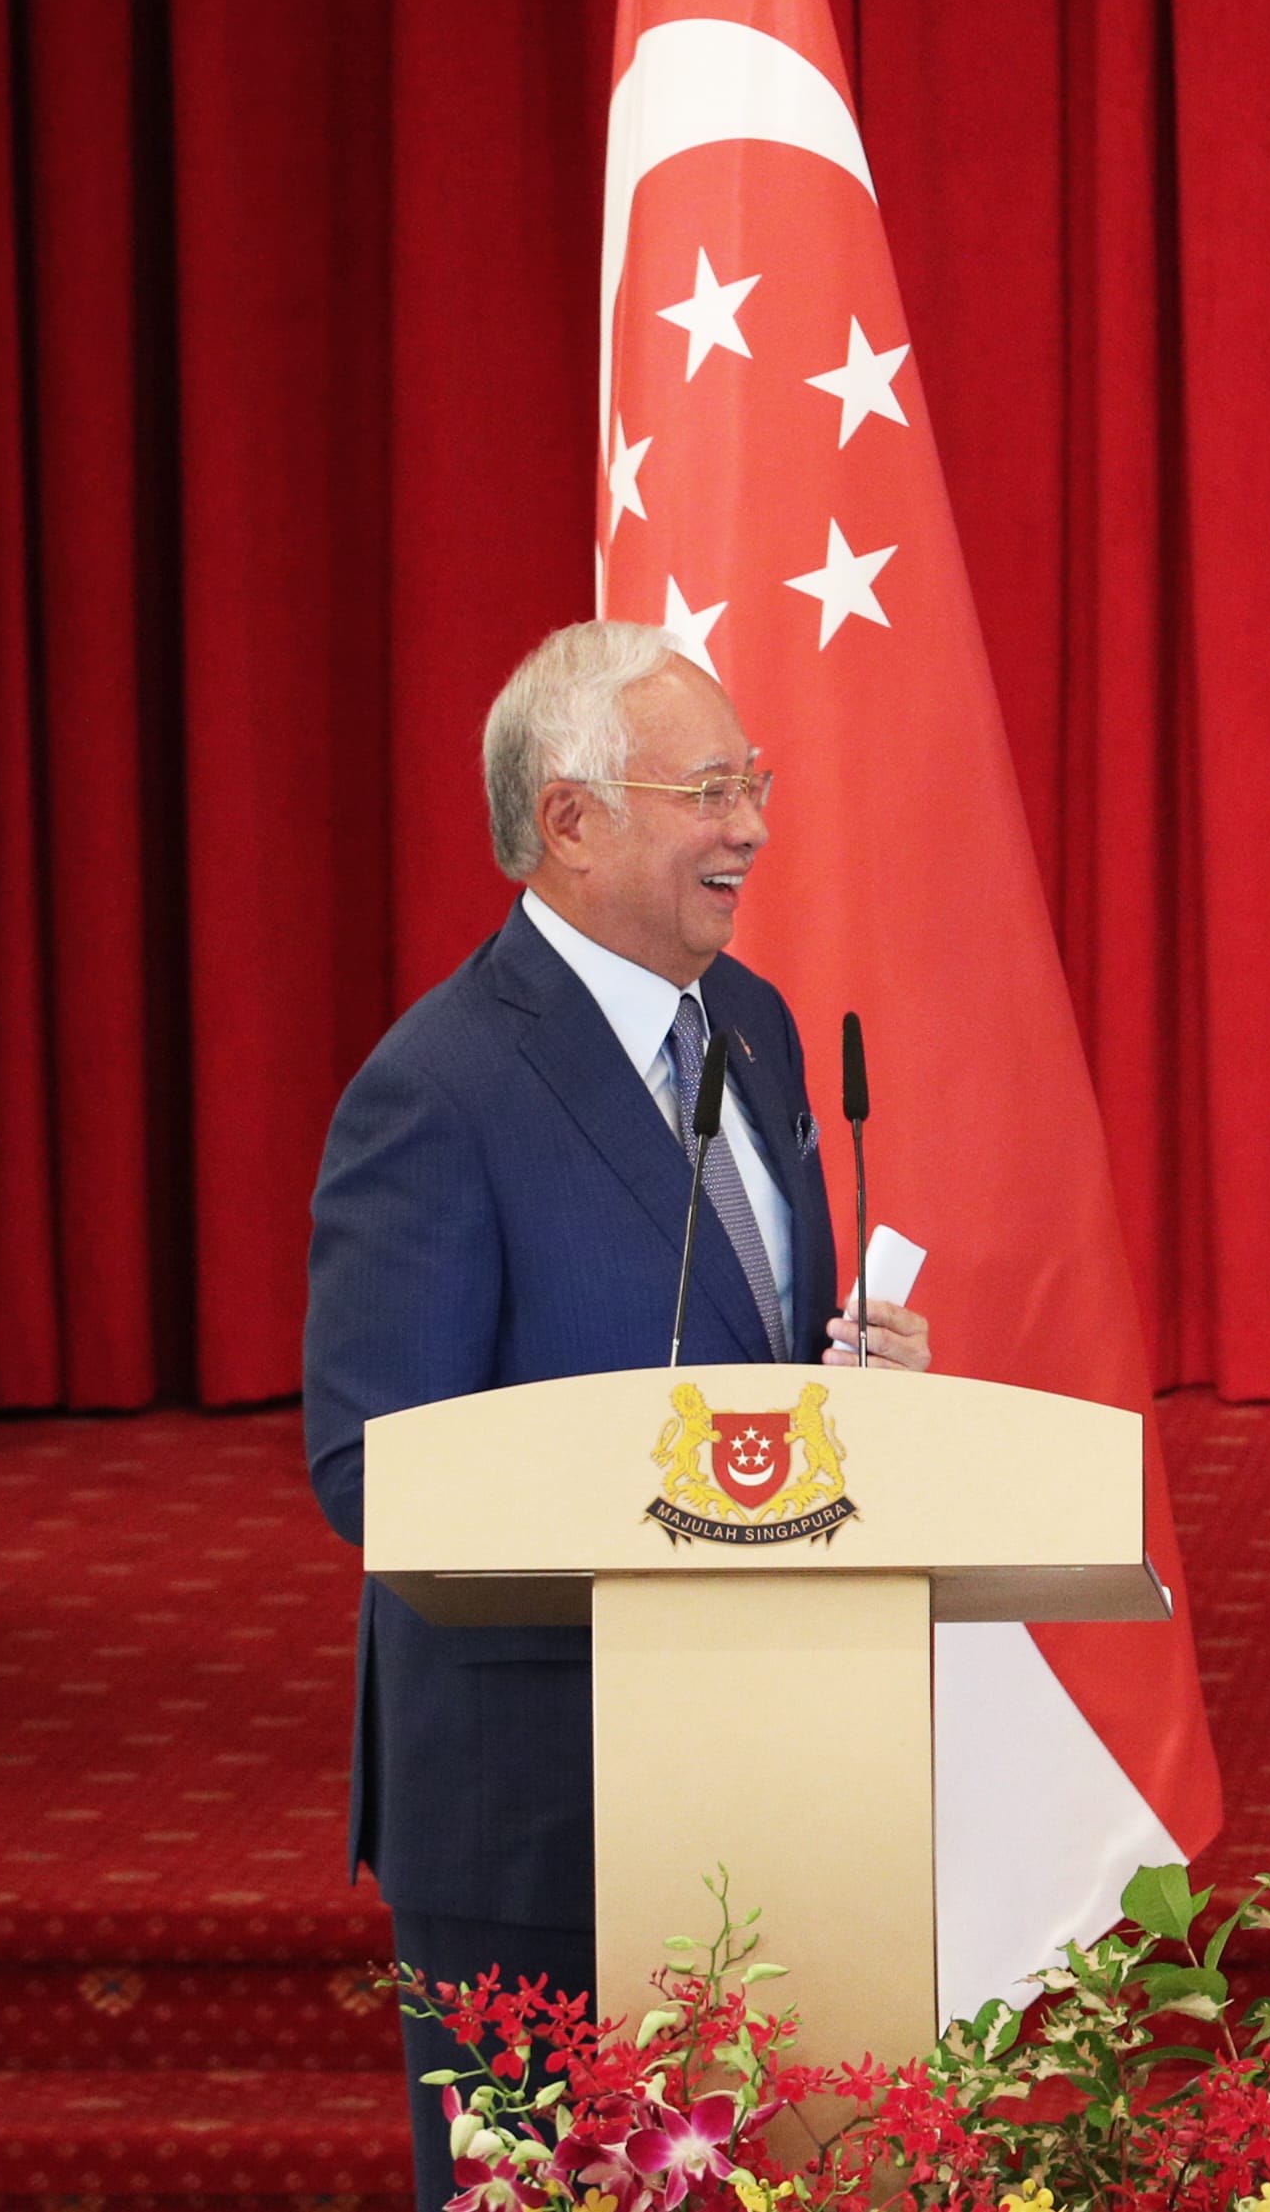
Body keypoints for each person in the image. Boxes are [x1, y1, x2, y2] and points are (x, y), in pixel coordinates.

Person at [301, 620, 930, 2210]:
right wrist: (639, 1490)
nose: (753, 829)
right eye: (711, 789)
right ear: (571, 819)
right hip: (536, 1809)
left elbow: (753, 1360)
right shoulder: (435, 1088)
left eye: (756, 783)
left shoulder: (760, 1026)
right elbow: (372, 1460)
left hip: (772, 1761)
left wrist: (849, 1394)